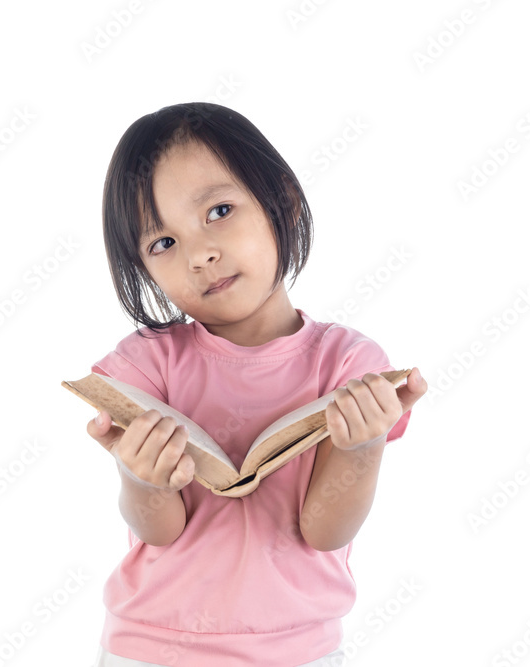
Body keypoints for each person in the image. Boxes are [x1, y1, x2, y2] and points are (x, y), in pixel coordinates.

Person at [83, 102, 427, 667]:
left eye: (219, 211)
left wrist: (362, 447)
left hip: (298, 651)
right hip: (151, 649)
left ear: (281, 203)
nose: (200, 255)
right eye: (163, 243)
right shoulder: (146, 365)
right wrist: (141, 478)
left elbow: (324, 532)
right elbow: (160, 531)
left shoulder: (347, 363)